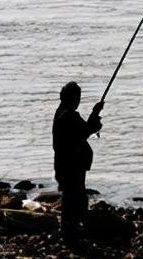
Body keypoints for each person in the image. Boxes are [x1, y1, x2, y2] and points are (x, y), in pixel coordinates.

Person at [52, 81, 103, 241]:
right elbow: (86, 130)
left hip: (67, 165)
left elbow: (85, 129)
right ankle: (70, 232)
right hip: (71, 166)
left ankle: (71, 230)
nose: (78, 100)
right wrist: (95, 115)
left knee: (74, 197)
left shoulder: (63, 113)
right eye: (76, 97)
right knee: (75, 198)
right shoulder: (67, 115)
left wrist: (95, 115)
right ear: (69, 98)